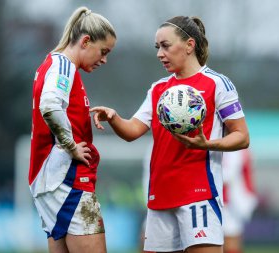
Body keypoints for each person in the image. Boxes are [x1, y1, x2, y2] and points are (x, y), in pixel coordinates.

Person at [90, 15, 249, 253]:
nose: (159, 54)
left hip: (199, 195)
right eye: (157, 47)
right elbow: (133, 130)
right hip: (161, 197)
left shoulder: (217, 84)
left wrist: (207, 145)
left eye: (165, 46)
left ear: (189, 45)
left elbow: (242, 136)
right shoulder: (158, 89)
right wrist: (114, 118)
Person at [28, 7, 116, 253]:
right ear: (85, 41)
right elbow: (50, 105)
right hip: (68, 180)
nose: (105, 59)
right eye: (103, 51)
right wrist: (70, 145)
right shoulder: (64, 66)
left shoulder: (51, 64)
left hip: (53, 179)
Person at [221, 149, 258, 253]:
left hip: (232, 202)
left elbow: (228, 175)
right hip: (232, 201)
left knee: (230, 239)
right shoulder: (240, 148)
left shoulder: (235, 149)